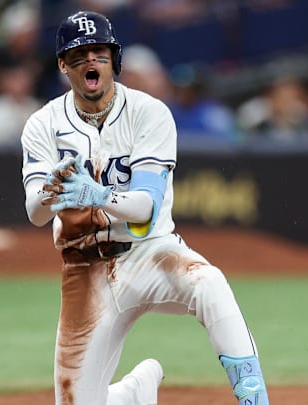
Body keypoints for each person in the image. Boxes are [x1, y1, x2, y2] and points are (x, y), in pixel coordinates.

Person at [21, 11, 269, 405]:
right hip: (83, 271)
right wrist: (52, 189)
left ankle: (255, 399)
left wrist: (96, 195)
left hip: (150, 252)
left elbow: (144, 210)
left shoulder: (148, 113)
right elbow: (35, 213)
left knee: (209, 284)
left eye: (99, 52)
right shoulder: (42, 123)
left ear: (113, 60)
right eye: (79, 53)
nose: (91, 61)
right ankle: (134, 392)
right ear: (62, 64)